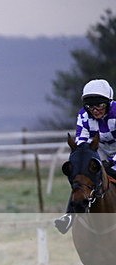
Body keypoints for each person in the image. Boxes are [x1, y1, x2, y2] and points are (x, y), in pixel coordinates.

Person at [55, 78, 116, 234]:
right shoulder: (83, 115)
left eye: (100, 105)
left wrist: (111, 163)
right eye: (90, 106)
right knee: (82, 177)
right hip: (100, 149)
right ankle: (69, 216)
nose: (95, 110)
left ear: (109, 102)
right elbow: (82, 144)